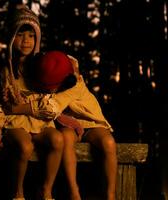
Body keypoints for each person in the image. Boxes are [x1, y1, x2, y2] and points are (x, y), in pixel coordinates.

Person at [0, 5, 63, 200]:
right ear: (12, 38)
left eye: (31, 36)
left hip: (39, 121)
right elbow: (1, 105)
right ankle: (18, 193)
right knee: (25, 146)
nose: (26, 41)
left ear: (37, 40)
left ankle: (46, 190)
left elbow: (53, 94)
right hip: (15, 121)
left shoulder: (41, 68)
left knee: (57, 139)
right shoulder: (7, 71)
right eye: (21, 35)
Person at [29, 50, 118, 200]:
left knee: (108, 143)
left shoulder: (75, 84)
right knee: (66, 138)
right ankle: (74, 192)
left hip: (91, 124)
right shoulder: (49, 86)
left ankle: (110, 194)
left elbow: (54, 106)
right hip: (70, 126)